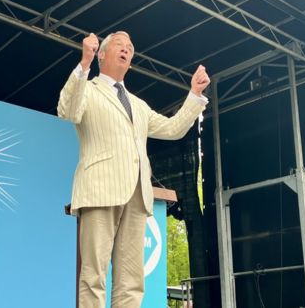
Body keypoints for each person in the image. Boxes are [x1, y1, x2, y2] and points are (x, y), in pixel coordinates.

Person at [57, 31, 210, 308]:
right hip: (100, 189)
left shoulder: (138, 105)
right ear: (101, 53)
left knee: (131, 281)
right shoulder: (88, 89)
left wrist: (194, 95)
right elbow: (68, 110)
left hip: (137, 195)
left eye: (130, 47)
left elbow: (173, 129)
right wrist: (84, 63)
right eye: (119, 44)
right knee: (94, 276)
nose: (126, 49)